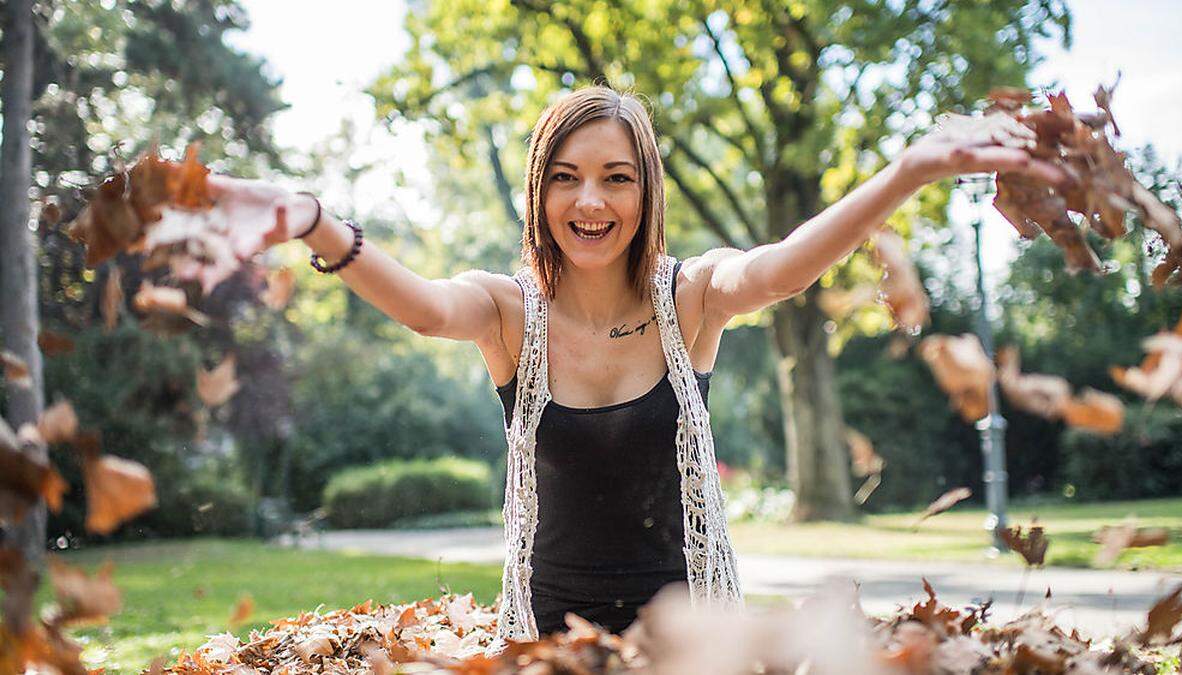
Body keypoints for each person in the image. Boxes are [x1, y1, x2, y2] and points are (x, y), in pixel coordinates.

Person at [208, 86, 1066, 652]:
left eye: (617, 179)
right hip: (550, 642)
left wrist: (911, 168)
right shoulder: (510, 311)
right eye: (569, 179)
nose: (591, 202)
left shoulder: (690, 296)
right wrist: (318, 221)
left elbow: (781, 267)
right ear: (541, 192)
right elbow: (426, 307)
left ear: (645, 193)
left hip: (691, 642)